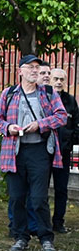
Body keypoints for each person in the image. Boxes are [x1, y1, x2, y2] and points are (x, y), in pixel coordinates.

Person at [0, 54, 67, 251]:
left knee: (39, 197)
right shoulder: (9, 94)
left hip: (39, 151)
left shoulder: (49, 93)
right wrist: (9, 128)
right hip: (15, 151)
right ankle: (20, 237)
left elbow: (61, 117)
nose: (35, 70)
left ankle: (46, 238)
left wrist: (40, 124)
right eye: (30, 67)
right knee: (16, 197)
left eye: (37, 67)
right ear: (20, 71)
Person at [49, 68, 78, 233]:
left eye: (62, 79)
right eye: (56, 79)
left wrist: (69, 141)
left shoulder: (71, 101)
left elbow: (76, 126)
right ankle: (40, 223)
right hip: (45, 152)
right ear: (50, 80)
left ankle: (58, 223)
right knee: (40, 188)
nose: (59, 82)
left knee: (61, 189)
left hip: (64, 152)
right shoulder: (44, 98)